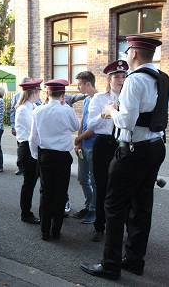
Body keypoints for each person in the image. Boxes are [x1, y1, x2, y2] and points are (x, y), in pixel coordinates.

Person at [80, 36, 167, 280]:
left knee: (114, 206)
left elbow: (127, 121)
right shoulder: (162, 78)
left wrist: (111, 110)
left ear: (134, 54)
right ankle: (135, 260)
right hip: (155, 146)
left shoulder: (135, 80)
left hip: (134, 150)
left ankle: (110, 264)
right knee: (141, 205)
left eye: (128, 52)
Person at [29, 79, 79, 241]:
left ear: (48, 93)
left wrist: (36, 155)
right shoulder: (67, 110)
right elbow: (75, 127)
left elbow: (33, 137)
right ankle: (56, 230)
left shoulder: (38, 111)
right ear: (62, 94)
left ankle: (44, 230)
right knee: (60, 193)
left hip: (45, 155)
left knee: (46, 192)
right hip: (62, 156)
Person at [87, 60, 128, 242]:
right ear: (109, 79)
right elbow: (90, 124)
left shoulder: (130, 96)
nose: (121, 80)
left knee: (122, 187)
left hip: (123, 143)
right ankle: (99, 226)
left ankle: (119, 227)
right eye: (117, 77)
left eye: (123, 76)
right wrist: (105, 114)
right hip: (104, 144)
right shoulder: (99, 98)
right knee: (102, 186)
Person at [14, 79, 42, 224]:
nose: (39, 95)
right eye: (38, 92)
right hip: (26, 147)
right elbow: (34, 130)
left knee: (32, 180)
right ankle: (26, 213)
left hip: (32, 147)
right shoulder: (23, 109)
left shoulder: (32, 106)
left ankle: (28, 211)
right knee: (29, 182)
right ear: (33, 92)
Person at [72, 71, 97, 224]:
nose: (78, 86)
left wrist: (79, 138)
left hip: (94, 146)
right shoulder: (87, 100)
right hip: (84, 145)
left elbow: (94, 127)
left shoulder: (100, 99)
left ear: (88, 84)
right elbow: (83, 120)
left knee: (94, 181)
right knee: (82, 178)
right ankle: (88, 206)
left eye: (80, 84)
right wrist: (79, 140)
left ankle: (94, 210)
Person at [10, 77, 32, 175]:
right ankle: (20, 167)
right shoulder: (17, 96)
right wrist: (13, 125)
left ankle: (26, 166)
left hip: (29, 132)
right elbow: (12, 111)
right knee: (21, 145)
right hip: (22, 128)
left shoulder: (34, 98)